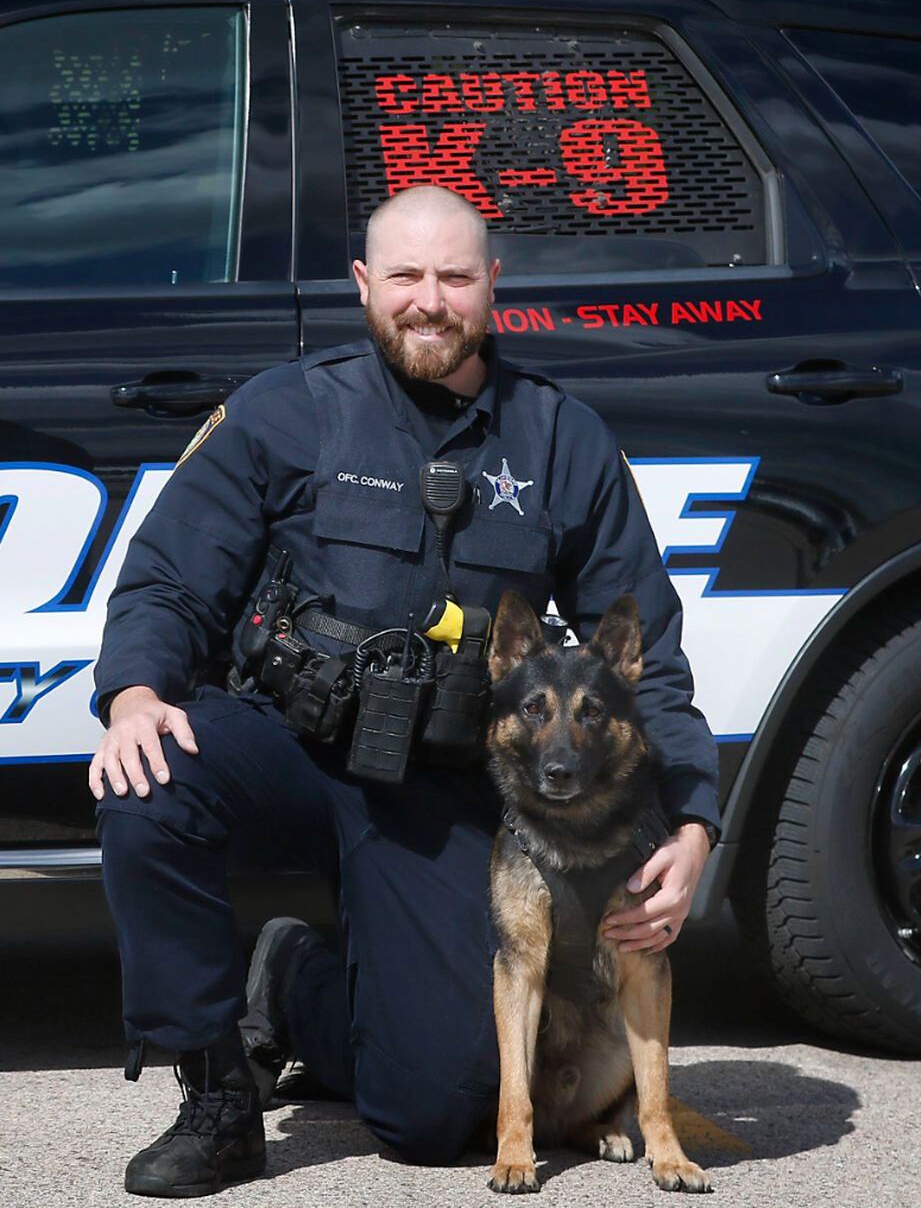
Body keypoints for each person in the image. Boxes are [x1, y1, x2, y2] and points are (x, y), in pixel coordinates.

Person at [88, 184, 721, 1198]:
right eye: (406, 276)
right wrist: (133, 695)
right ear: (364, 285)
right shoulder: (285, 410)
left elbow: (652, 663)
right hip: (286, 745)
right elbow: (170, 576)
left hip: (439, 790)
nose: (430, 300)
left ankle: (297, 986)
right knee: (148, 781)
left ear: (493, 287)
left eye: (455, 277)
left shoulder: (561, 441)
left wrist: (691, 827)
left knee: (433, 1113)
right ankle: (215, 1094)